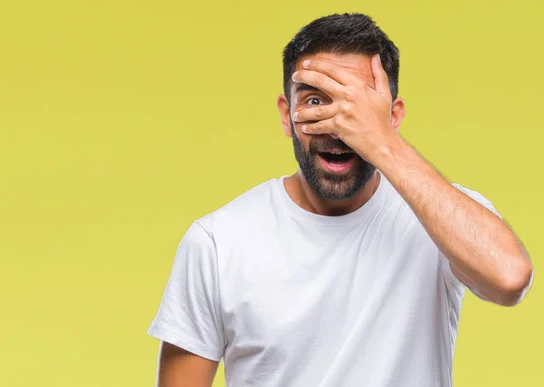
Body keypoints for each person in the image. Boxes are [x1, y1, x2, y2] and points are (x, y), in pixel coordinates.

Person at [147, 13, 534, 387]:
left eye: (358, 107)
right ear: (287, 115)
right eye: (317, 101)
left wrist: (380, 142)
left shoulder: (439, 218)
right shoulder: (217, 243)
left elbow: (510, 277)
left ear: (392, 117)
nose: (338, 125)